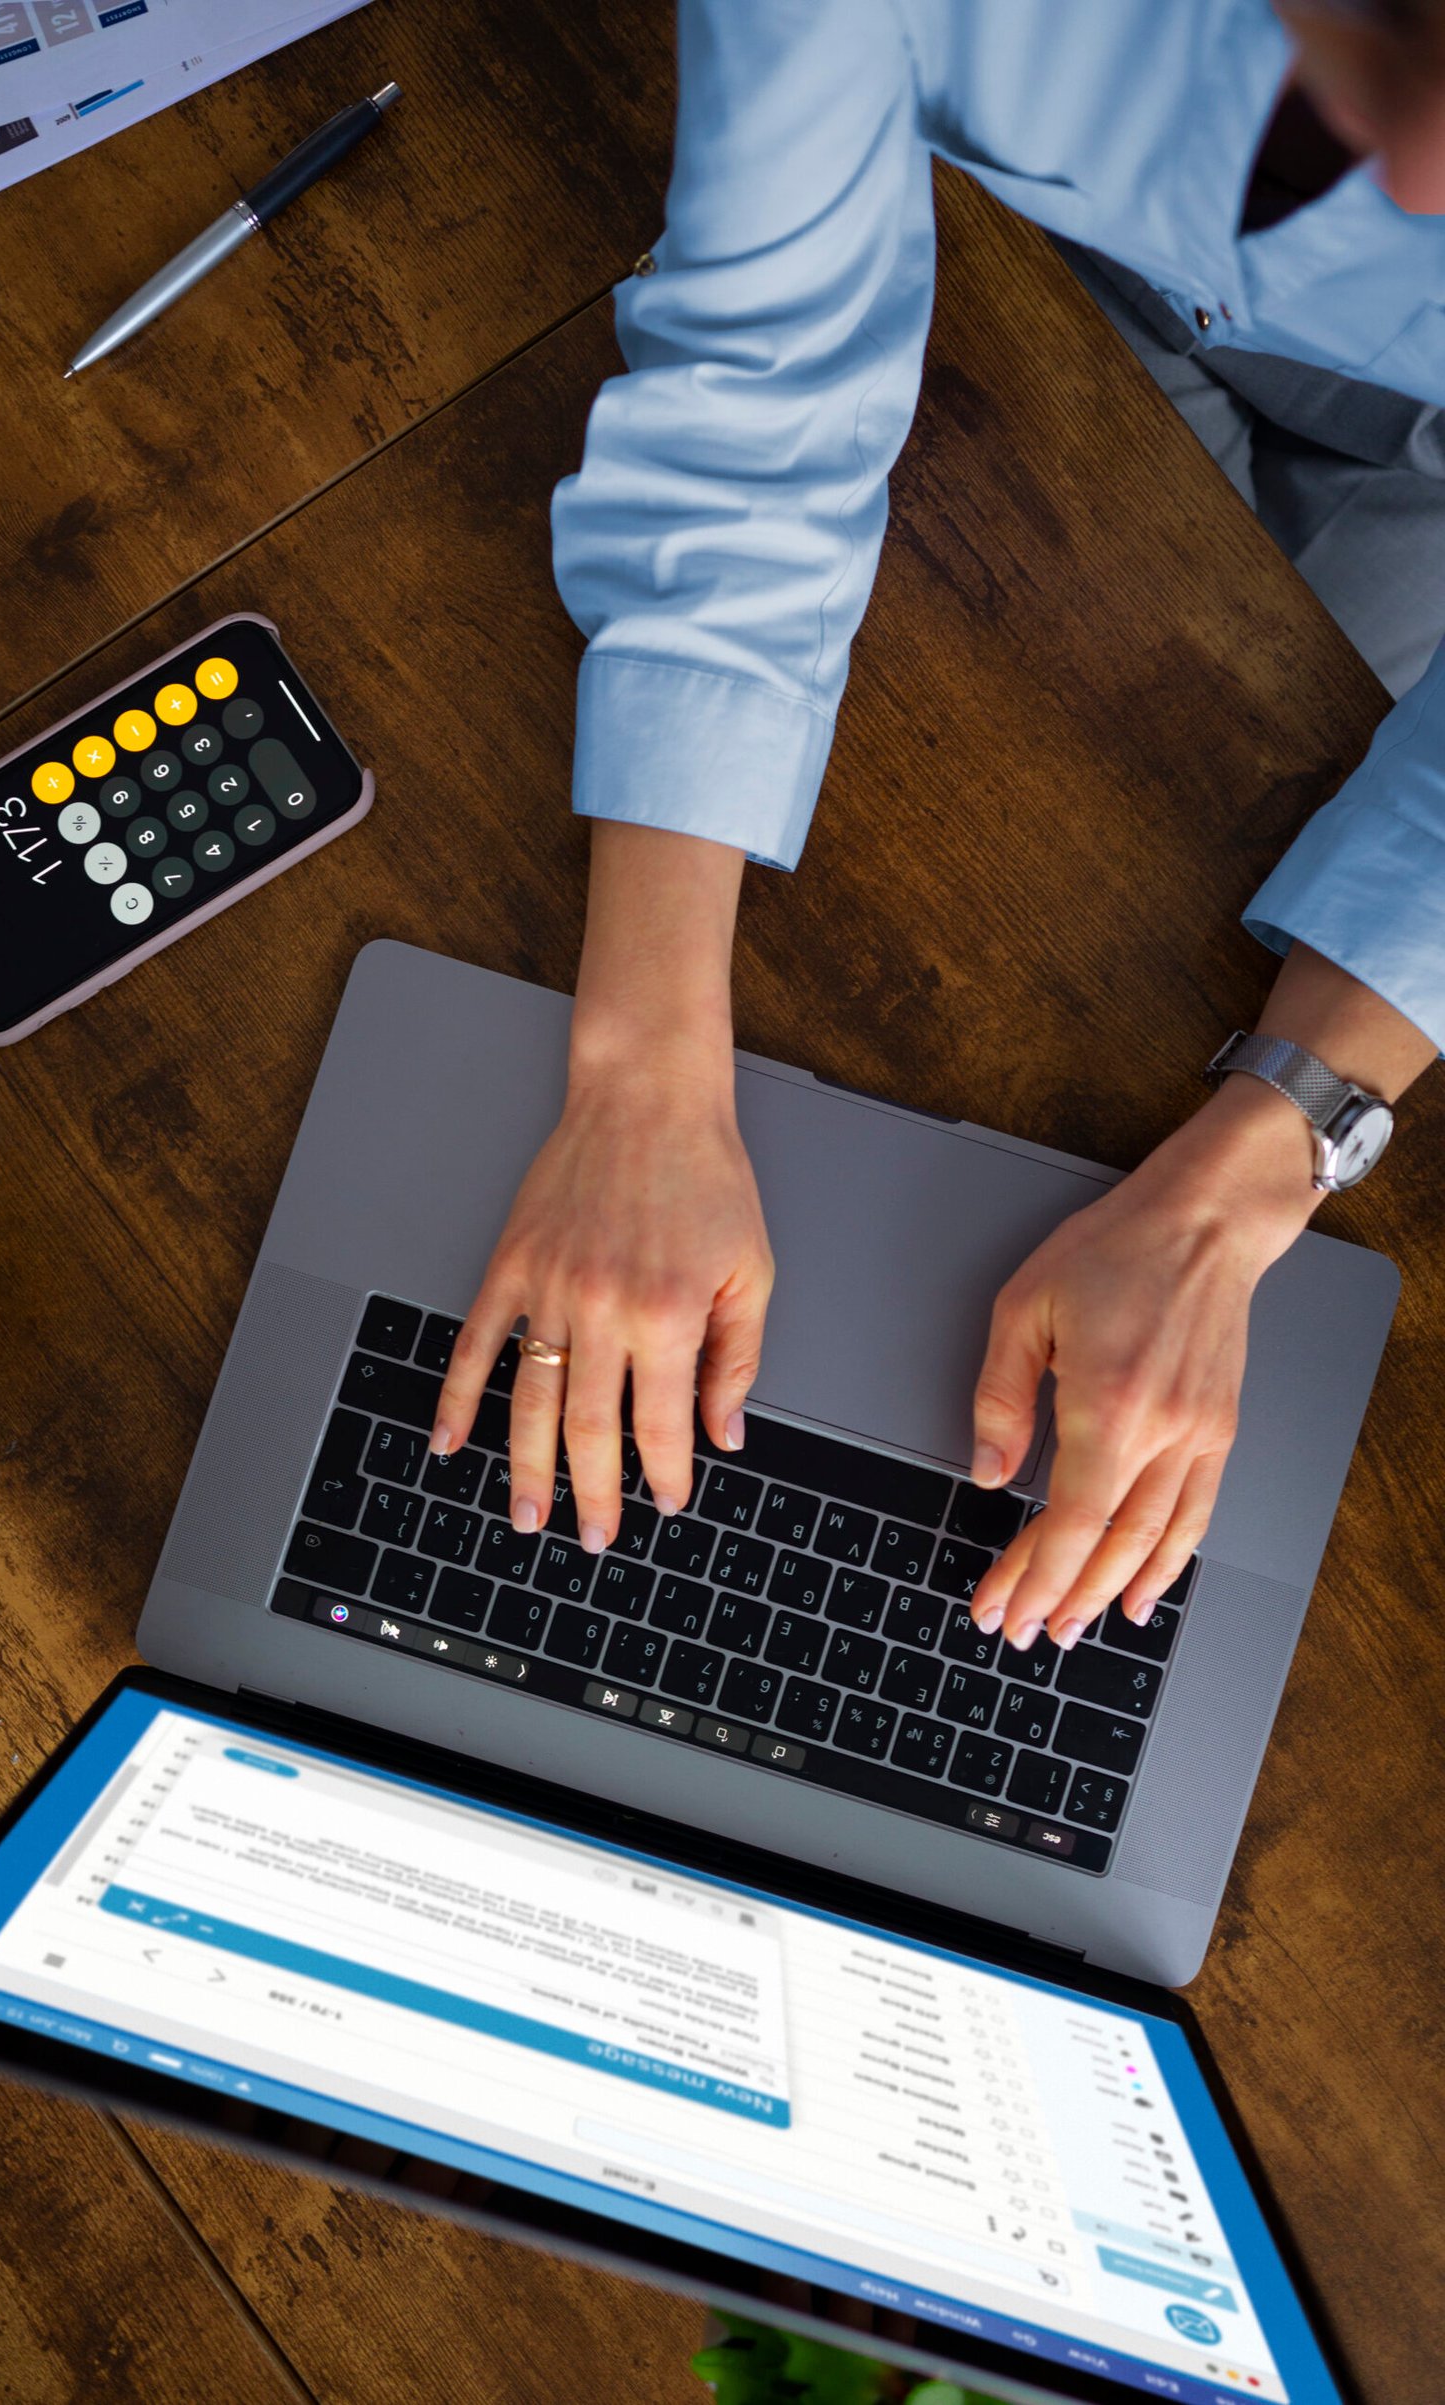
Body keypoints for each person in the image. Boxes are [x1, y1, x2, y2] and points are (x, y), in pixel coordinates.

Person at [432, 0, 1443, 1657]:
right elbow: (761, 401)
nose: (1417, 178)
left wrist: (1251, 1172)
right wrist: (639, 1072)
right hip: (1052, 265)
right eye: (1402, 41)